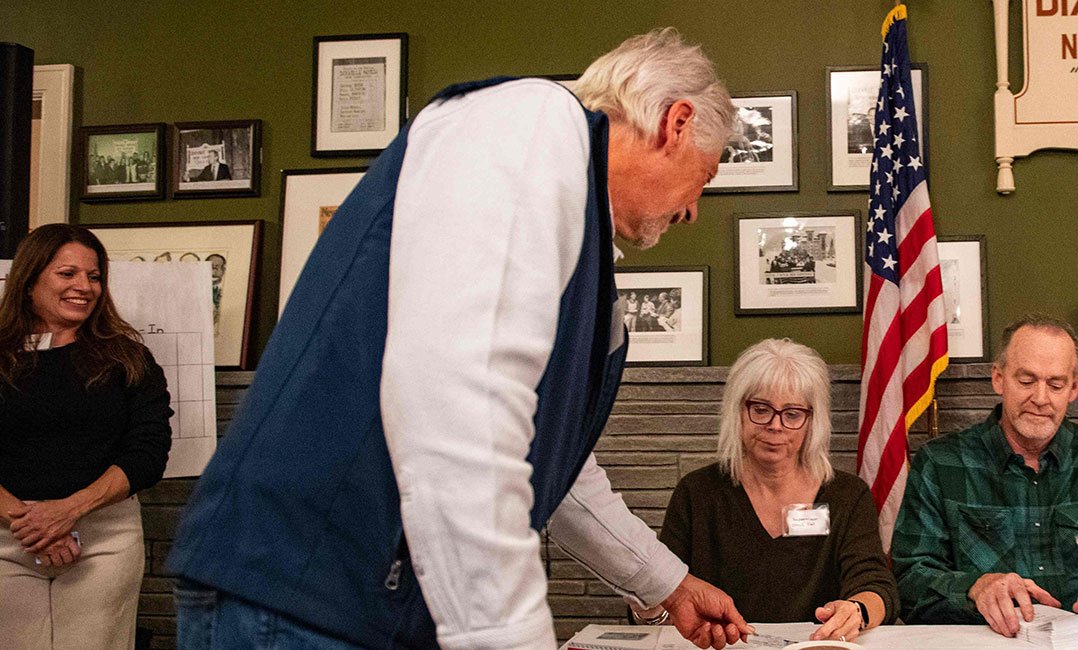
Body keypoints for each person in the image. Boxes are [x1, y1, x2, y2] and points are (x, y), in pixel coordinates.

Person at [169, 28, 752, 650]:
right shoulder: (532, 122)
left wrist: (667, 582)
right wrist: (508, 635)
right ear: (677, 124)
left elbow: (553, 470)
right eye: (705, 178)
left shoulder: (580, 236)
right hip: (304, 595)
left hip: (361, 606)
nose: (692, 209)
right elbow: (462, 404)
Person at [892, 314, 1078, 637]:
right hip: (989, 643)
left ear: (1073, 388)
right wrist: (973, 588)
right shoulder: (940, 463)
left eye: (1055, 384)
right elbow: (909, 577)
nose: (1040, 398)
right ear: (998, 379)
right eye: (1026, 380)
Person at [640, 339, 895, 644]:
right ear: (738, 411)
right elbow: (661, 595)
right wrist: (647, 602)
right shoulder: (697, 493)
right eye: (761, 410)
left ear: (813, 421)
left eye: (792, 414)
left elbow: (877, 586)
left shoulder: (846, 496)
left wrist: (856, 610)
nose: (776, 426)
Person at [0, 224, 173, 648]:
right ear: (29, 281)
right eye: (67, 274)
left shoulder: (128, 357)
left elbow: (149, 452)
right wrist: (29, 522)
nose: (84, 286)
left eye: (94, 276)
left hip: (105, 541)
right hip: (7, 536)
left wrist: (69, 511)